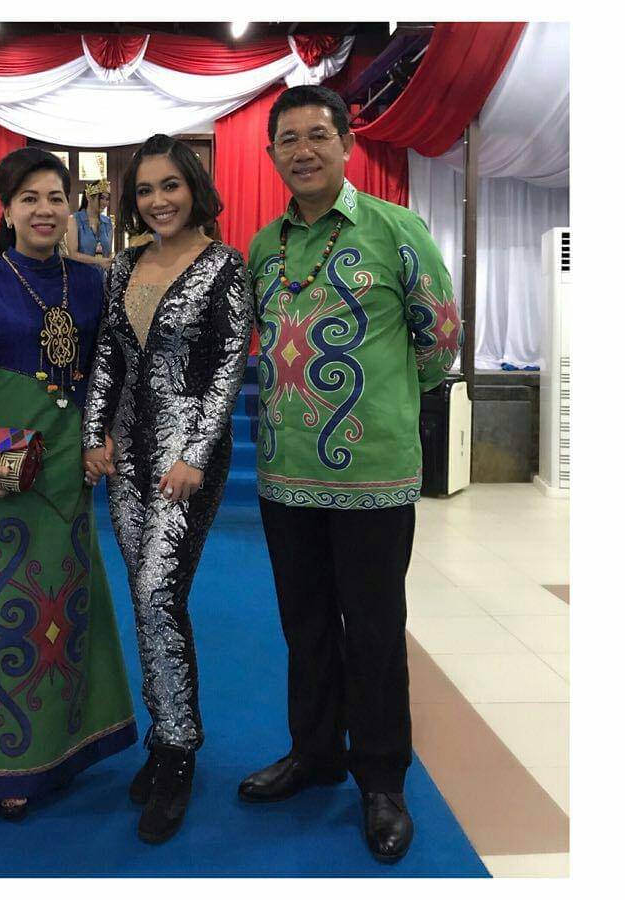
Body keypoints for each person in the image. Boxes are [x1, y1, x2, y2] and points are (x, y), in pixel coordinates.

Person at [239, 85, 463, 863]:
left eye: (317, 136)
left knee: (372, 629)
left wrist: (386, 405)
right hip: (284, 474)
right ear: (271, 154)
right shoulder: (263, 248)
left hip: (373, 475)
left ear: (346, 144)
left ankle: (381, 779)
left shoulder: (396, 230)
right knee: (303, 624)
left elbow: (440, 338)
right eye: (288, 139)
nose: (303, 151)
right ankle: (314, 754)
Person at [0, 148, 137, 820]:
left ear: (72, 207)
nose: (45, 210)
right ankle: (2, 760)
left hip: (67, 470)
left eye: (55, 197)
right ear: (6, 210)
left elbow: (109, 370)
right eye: (30, 198)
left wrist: (105, 435)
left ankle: (64, 745)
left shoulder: (90, 284)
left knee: (61, 609)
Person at [82, 134, 252, 845]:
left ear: (194, 189)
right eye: (146, 189)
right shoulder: (124, 266)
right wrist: (95, 434)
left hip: (186, 461)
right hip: (128, 456)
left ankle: (180, 749)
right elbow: (108, 355)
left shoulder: (225, 267)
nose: (158, 201)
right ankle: (163, 735)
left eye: (170, 186)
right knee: (145, 599)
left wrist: (195, 455)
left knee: (159, 594)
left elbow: (229, 368)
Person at [66, 179, 114, 269]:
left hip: (102, 275)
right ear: (89, 197)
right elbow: (72, 254)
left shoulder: (108, 222)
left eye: (107, 199)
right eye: (101, 198)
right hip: (80, 273)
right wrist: (98, 261)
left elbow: (108, 253)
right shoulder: (74, 220)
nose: (105, 202)